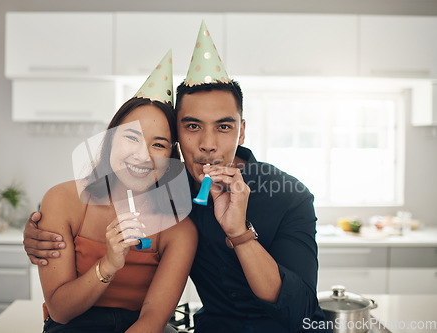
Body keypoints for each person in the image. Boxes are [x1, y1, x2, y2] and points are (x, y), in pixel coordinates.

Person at [24, 22, 330, 333]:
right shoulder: (164, 186)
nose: (208, 143)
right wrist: (36, 232)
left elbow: (303, 310)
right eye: (193, 126)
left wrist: (239, 233)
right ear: (178, 141)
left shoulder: (289, 194)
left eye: (224, 127)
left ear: (242, 132)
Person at [34, 51, 198, 333]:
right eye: (131, 137)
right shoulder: (62, 201)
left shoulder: (179, 230)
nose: (142, 156)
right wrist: (108, 264)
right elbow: (60, 312)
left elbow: (153, 319)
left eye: (158, 145)